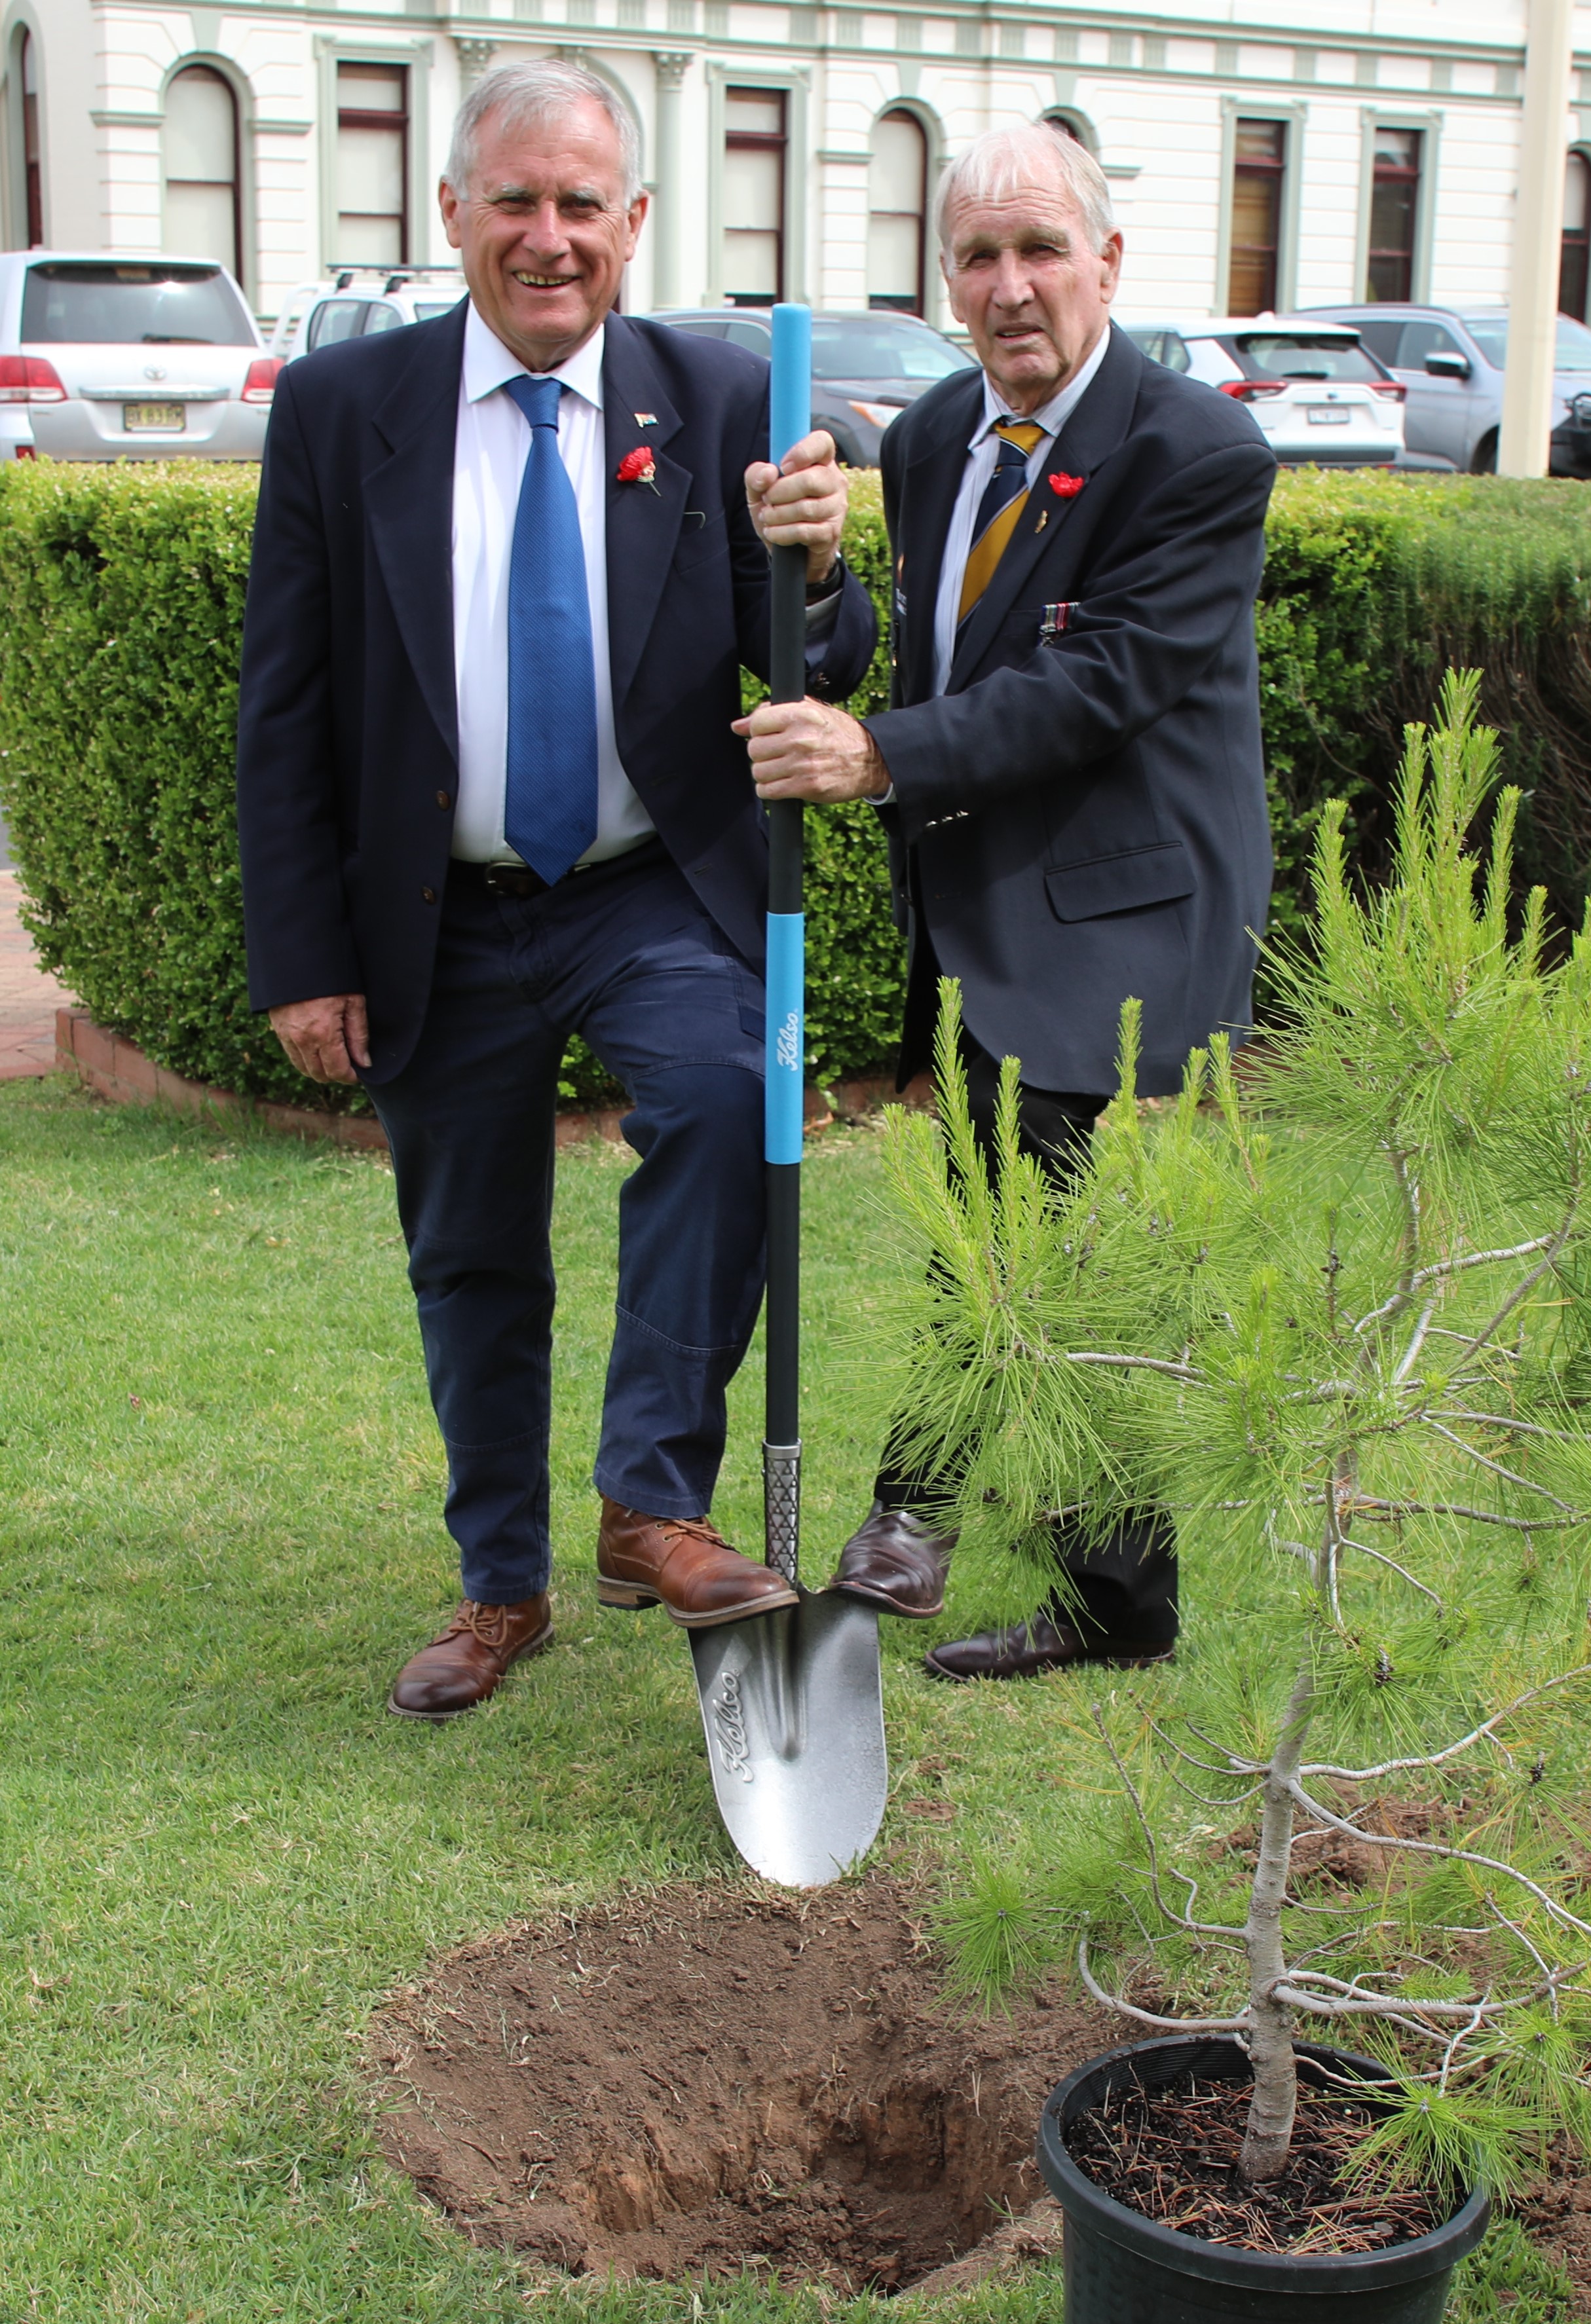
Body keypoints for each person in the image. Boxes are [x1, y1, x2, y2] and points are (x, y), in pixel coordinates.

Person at [237, 61, 876, 1719]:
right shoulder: (341, 411)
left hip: (642, 884)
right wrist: (305, 951)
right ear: (451, 213)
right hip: (436, 912)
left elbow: (815, 660)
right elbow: (286, 702)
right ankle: (500, 1584)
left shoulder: (719, 400)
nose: (546, 237)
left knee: (735, 1089)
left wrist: (819, 560)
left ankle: (651, 1502)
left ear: (634, 223)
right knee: (472, 1253)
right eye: (512, 201)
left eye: (580, 205)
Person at [738, 120, 1276, 1683]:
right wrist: (828, 587)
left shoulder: (1195, 453)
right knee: (1044, 1246)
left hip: (1119, 909)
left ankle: (909, 1515)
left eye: (1044, 248)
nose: (1012, 284)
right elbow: (923, 663)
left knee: (1001, 1215)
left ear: (1109, 261)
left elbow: (1091, 688)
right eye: (980, 255)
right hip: (989, 898)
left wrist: (876, 759)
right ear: (947, 279)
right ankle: (1121, 1608)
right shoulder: (928, 444)